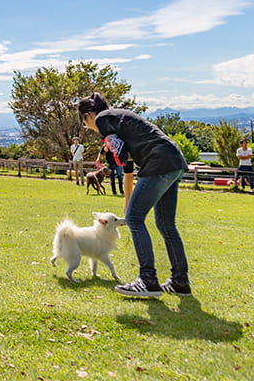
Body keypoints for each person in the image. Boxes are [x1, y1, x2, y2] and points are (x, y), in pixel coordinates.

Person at [79, 92, 191, 298]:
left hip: (158, 162)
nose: (89, 127)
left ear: (89, 115)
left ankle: (148, 280)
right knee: (166, 224)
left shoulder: (104, 118)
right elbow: (128, 169)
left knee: (138, 221)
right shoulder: (119, 123)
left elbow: (119, 153)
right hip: (173, 161)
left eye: (85, 122)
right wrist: (128, 204)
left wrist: (109, 148)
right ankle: (180, 282)